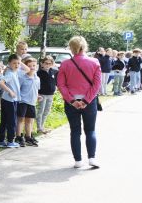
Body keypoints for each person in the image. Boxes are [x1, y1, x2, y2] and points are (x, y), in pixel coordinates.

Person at [57, 35, 101, 169]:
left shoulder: (65, 64)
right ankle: (92, 158)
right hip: (89, 101)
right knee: (90, 130)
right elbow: (97, 84)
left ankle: (78, 160)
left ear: (71, 47)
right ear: (85, 46)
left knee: (75, 131)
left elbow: (61, 84)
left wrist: (71, 100)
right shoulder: (94, 62)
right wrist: (86, 100)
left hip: (71, 103)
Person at [0, 54, 22, 148]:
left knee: (4, 120)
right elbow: (0, 83)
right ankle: (11, 141)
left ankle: (1, 140)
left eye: (18, 63)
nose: (17, 65)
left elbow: (27, 70)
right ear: (9, 63)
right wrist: (10, 91)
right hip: (10, 101)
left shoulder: (14, 72)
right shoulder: (10, 74)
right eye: (14, 63)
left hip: (8, 100)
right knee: (11, 121)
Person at [17, 57, 41, 146]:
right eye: (29, 66)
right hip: (22, 101)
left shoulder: (37, 78)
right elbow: (17, 89)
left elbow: (36, 90)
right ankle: (18, 137)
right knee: (20, 120)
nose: (32, 67)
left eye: (34, 65)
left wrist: (38, 96)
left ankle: (28, 137)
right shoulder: (22, 77)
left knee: (30, 120)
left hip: (32, 102)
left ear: (37, 66)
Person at [36, 56, 57, 133]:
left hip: (50, 94)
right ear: (42, 63)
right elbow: (36, 84)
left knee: (46, 111)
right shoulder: (39, 73)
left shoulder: (53, 71)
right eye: (46, 63)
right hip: (42, 94)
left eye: (49, 63)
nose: (47, 65)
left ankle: (42, 126)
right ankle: (39, 127)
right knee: (41, 110)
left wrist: (55, 87)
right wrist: (37, 94)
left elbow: (55, 81)